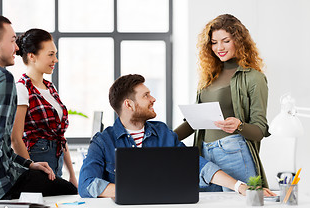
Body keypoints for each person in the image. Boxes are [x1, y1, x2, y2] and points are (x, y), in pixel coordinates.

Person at [78, 74, 275, 198]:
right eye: (146, 95)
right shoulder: (103, 141)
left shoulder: (162, 132)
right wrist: (138, 191)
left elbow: (198, 166)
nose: (153, 98)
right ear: (128, 105)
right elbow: (86, 185)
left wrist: (239, 186)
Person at [0, 14, 77, 203]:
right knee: (69, 192)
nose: (17, 48)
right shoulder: (1, 78)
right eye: (12, 41)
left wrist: (29, 164)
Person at [174, 14, 270, 191]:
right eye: (214, 42)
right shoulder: (208, 79)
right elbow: (193, 122)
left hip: (234, 153)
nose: (219, 47)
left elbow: (260, 130)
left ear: (239, 41)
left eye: (225, 41)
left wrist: (239, 126)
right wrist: (166, 139)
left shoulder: (254, 78)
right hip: (205, 154)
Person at [11, 28, 77, 188]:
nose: (56, 59)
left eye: (55, 54)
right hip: (37, 162)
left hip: (56, 163)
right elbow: (16, 138)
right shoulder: (22, 89)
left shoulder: (50, 87)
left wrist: (72, 175)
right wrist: (32, 172)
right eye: (50, 54)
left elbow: (60, 136)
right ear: (32, 56)